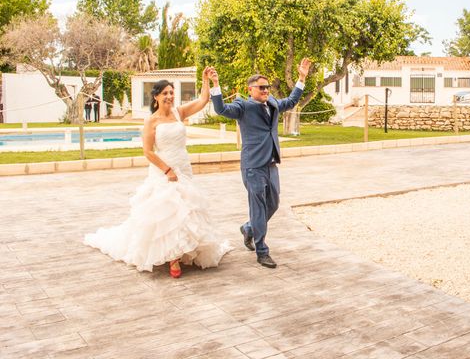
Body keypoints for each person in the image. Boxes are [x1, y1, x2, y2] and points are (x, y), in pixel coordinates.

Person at [84, 67, 232, 278]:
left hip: (183, 166)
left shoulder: (178, 113)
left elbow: (202, 101)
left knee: (187, 208)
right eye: (165, 93)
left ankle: (186, 250)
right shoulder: (151, 121)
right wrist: (167, 169)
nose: (170, 96)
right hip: (164, 169)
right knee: (169, 211)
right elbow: (147, 152)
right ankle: (173, 258)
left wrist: (206, 80)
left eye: (172, 93)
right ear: (156, 97)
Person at [210, 58, 311, 268]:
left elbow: (291, 101)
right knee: (258, 207)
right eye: (261, 87)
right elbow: (221, 110)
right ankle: (262, 250)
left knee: (273, 204)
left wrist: (301, 77)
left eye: (267, 87)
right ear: (250, 89)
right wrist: (216, 85)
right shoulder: (242, 106)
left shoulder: (273, 103)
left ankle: (248, 229)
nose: (266, 90)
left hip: (271, 164)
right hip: (253, 165)